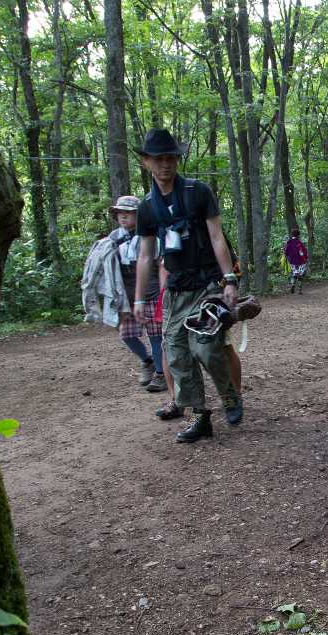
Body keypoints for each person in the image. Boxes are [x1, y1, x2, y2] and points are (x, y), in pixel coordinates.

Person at [132, 128, 242, 443]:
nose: (165, 164)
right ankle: (201, 417)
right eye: (158, 158)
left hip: (207, 283)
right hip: (175, 291)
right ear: (146, 162)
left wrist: (229, 280)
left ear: (178, 160)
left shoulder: (198, 192)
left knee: (206, 348)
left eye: (171, 158)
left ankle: (230, 395)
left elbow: (217, 236)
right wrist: (139, 300)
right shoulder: (146, 208)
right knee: (177, 357)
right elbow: (145, 255)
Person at [108, 196, 166, 392]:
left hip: (151, 293)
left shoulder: (151, 236)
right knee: (126, 334)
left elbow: (160, 264)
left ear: (138, 215)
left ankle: (160, 373)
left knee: (155, 336)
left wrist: (162, 292)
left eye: (128, 212)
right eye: (120, 212)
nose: (123, 216)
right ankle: (147, 361)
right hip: (126, 296)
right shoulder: (113, 238)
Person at [283, 228, 308, 294]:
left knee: (294, 274)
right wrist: (305, 258)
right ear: (298, 235)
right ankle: (300, 290)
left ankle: (292, 284)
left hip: (292, 261)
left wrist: (288, 258)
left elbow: (286, 252)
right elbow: (304, 252)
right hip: (301, 261)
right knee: (300, 275)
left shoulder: (289, 242)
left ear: (292, 234)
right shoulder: (300, 243)